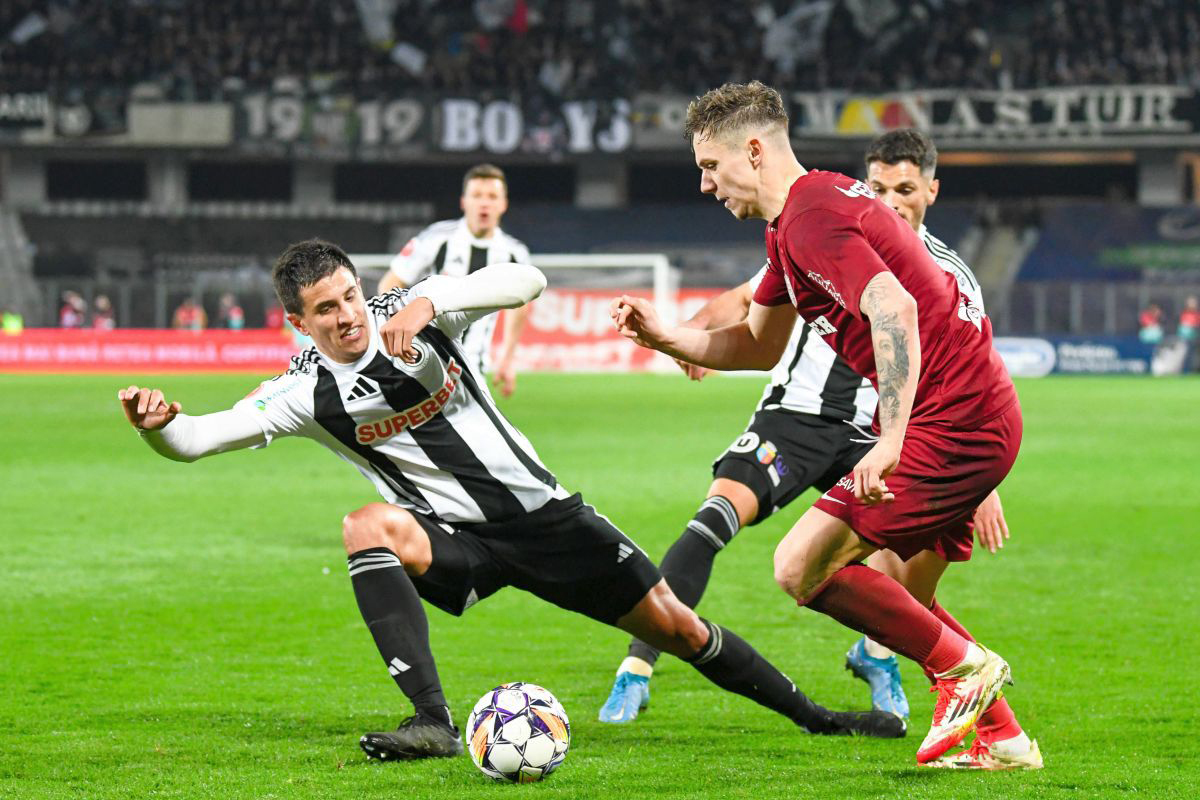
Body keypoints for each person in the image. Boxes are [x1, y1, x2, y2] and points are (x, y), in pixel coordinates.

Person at [118, 239, 904, 763]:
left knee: (677, 627)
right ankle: (431, 720)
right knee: (366, 526)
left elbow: (527, 281)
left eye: (350, 296)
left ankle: (818, 718)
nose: (348, 316)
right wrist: (160, 426)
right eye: (325, 310)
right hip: (454, 539)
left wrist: (432, 302)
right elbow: (197, 437)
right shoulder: (301, 392)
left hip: (546, 520)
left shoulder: (420, 312)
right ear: (297, 322)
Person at [610, 81, 1040, 770]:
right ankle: (1005, 737)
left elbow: (893, 309)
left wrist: (890, 441)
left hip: (955, 420)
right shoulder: (794, 221)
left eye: (711, 166)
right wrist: (665, 336)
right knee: (891, 589)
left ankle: (963, 667)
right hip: (963, 415)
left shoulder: (811, 217)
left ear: (754, 151)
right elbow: (757, 345)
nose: (704, 184)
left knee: (800, 565)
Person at [378, 164, 532, 398]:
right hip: (428, 361)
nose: (484, 203)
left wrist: (508, 360)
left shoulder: (514, 253)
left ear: (503, 204)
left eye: (492, 197)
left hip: (474, 367)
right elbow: (390, 283)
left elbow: (520, 307)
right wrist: (398, 333)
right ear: (464, 202)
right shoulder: (437, 238)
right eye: (477, 195)